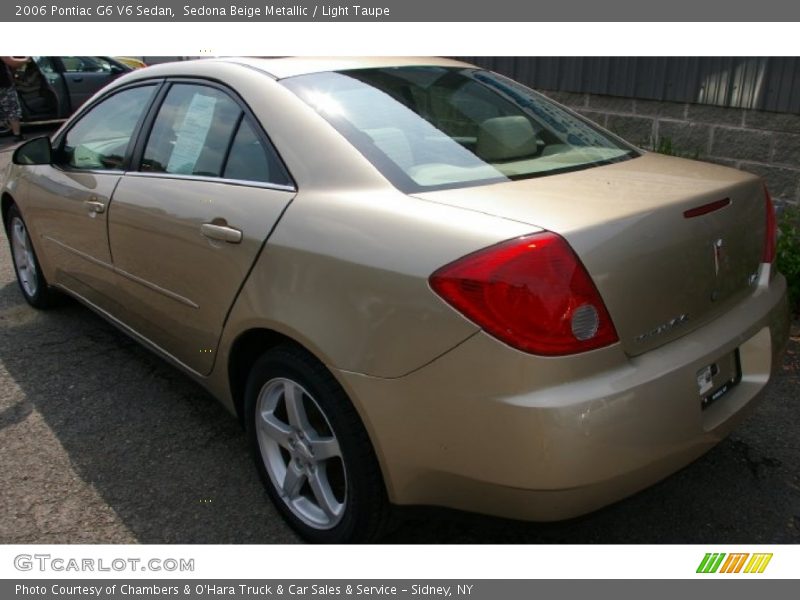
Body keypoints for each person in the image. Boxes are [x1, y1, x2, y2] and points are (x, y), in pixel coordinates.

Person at [1, 56, 30, 141]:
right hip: (3, 86)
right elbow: (12, 62)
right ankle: (17, 135)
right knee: (12, 110)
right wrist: (26, 59)